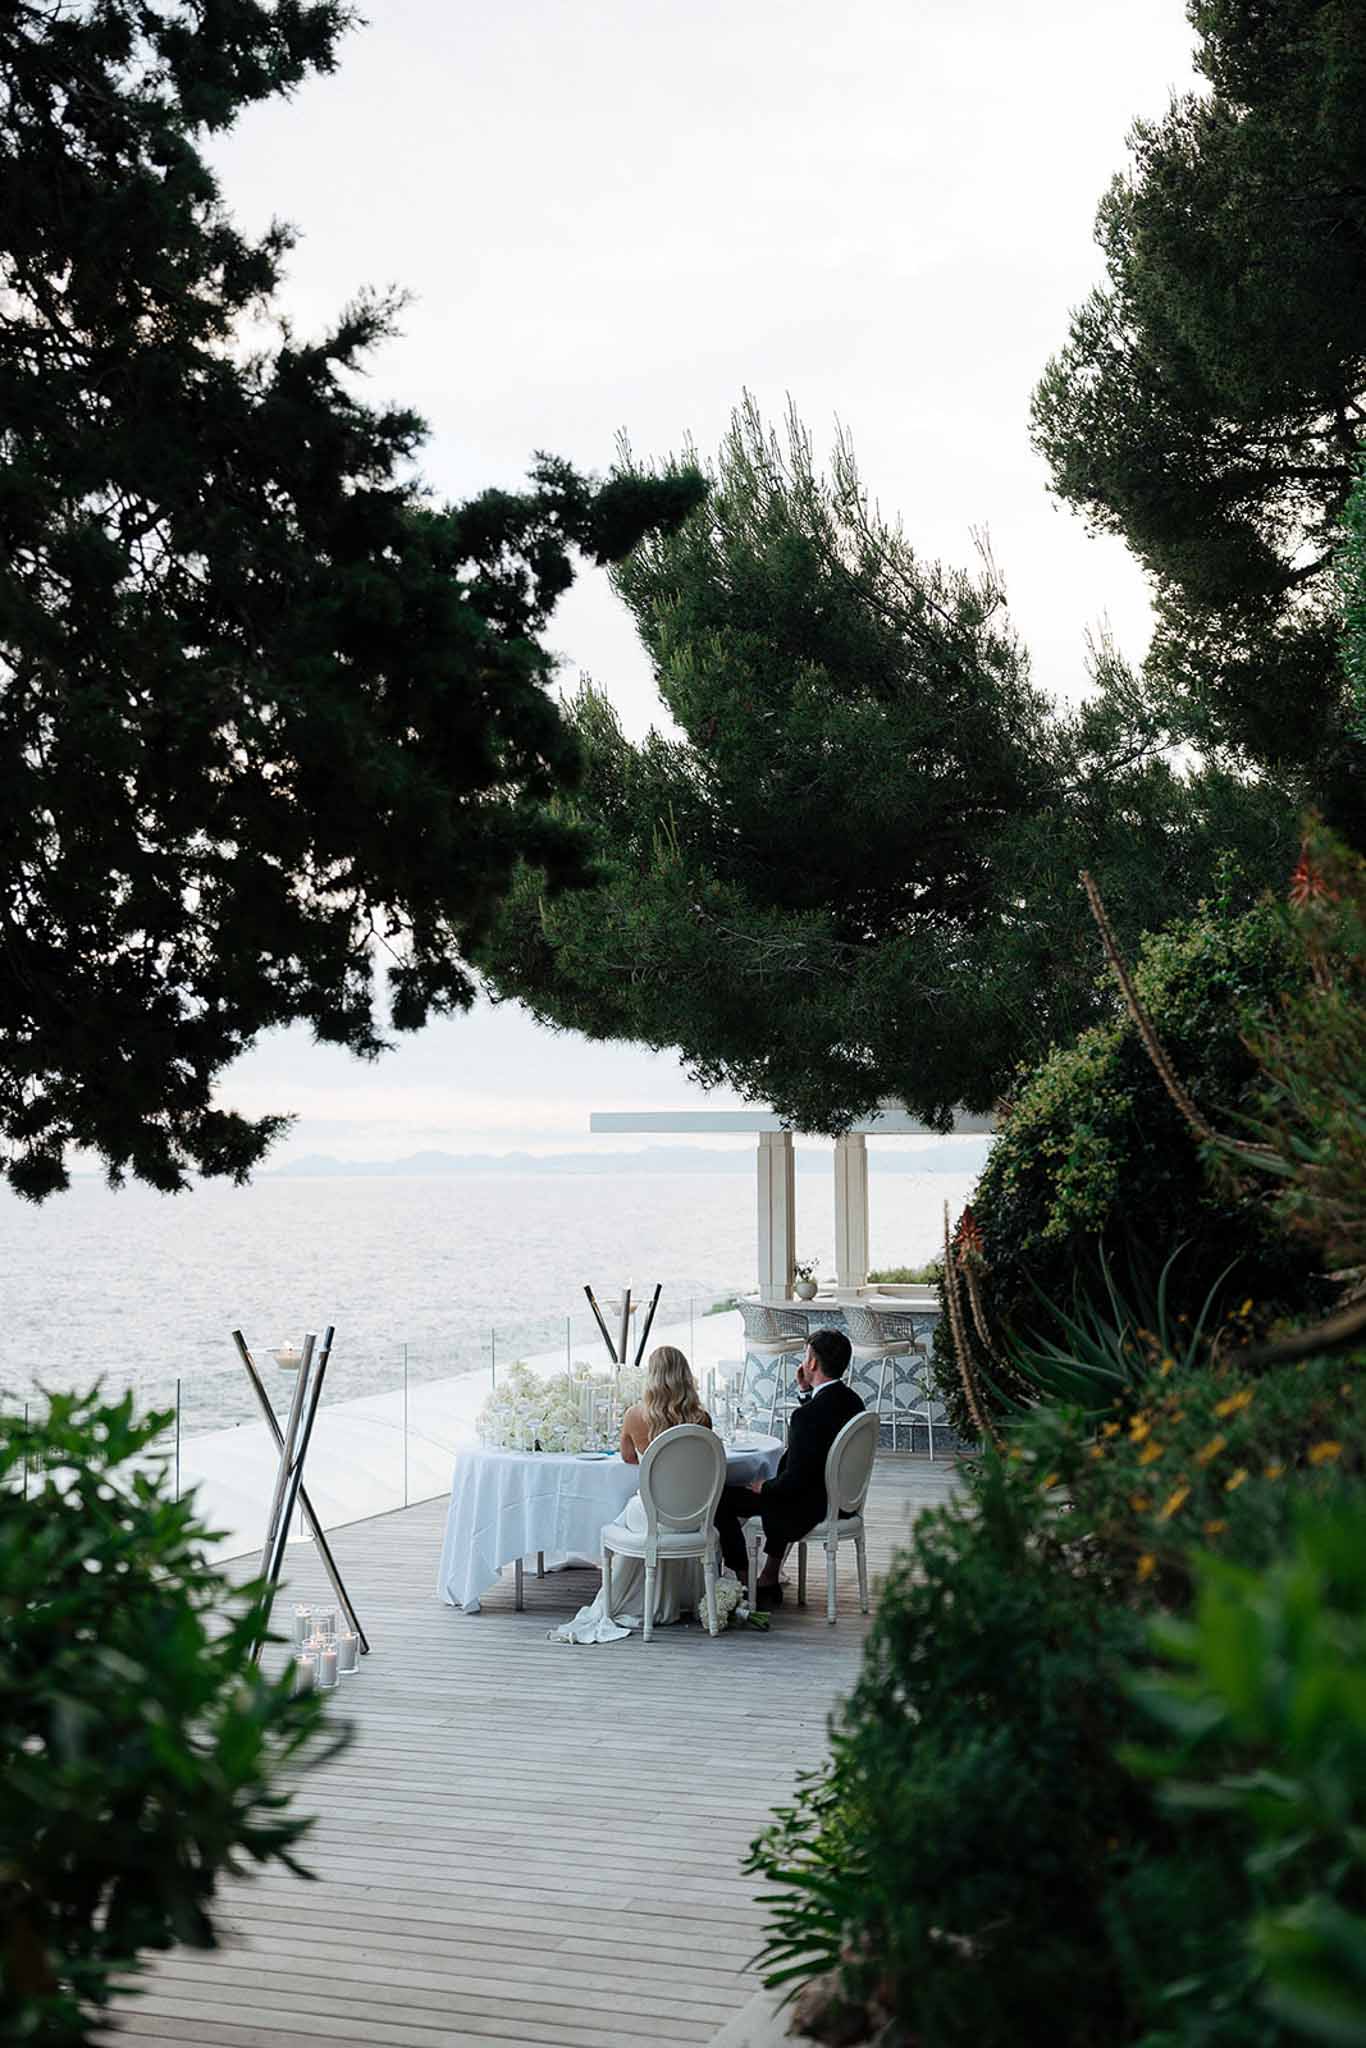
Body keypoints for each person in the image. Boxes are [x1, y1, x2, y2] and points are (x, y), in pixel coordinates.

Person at [552, 1345, 714, 1644]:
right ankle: (676, 1598)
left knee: (627, 1511)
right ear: (685, 1376)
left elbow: (628, 1458)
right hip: (692, 1516)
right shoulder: (701, 1419)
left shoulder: (635, 1416)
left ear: (651, 1377)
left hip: (653, 1513)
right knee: (634, 1509)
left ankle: (629, 1597)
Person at [714, 1326, 863, 1608]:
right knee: (773, 1488)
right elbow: (822, 1438)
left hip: (811, 1502)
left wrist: (764, 1487)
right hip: (842, 1499)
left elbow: (796, 1478)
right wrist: (806, 1391)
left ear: (813, 1363)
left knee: (720, 1498)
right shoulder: (853, 1402)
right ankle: (768, 1575)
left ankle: (747, 1583)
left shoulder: (806, 1417)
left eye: (806, 1356)